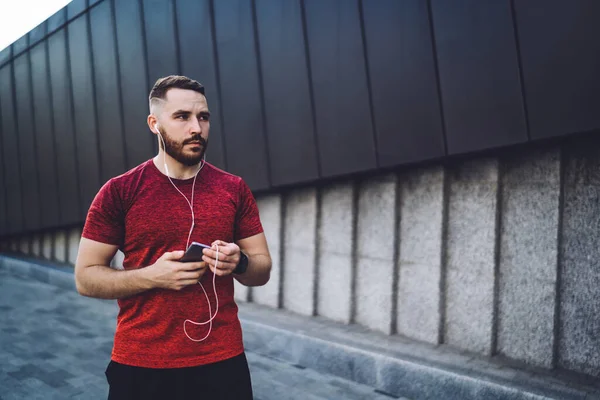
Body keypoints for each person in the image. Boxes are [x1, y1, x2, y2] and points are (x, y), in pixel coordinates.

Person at [74, 75, 272, 399]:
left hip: (222, 363)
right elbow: (85, 278)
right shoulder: (119, 191)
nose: (196, 128)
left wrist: (240, 263)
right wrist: (153, 276)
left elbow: (261, 271)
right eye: (182, 117)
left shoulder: (233, 188)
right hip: (141, 366)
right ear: (154, 123)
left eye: (203, 117)